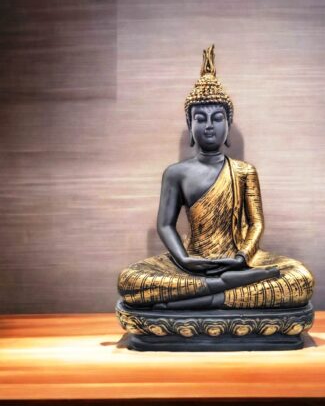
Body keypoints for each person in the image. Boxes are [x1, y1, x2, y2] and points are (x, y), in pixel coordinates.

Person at [117, 45, 314, 310]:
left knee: (298, 279)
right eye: (200, 118)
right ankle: (224, 292)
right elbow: (165, 225)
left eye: (217, 118)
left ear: (227, 126)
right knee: (130, 282)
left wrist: (242, 256)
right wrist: (184, 260)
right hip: (191, 264)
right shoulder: (176, 173)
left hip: (238, 262)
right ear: (190, 126)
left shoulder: (244, 172)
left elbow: (256, 224)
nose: (209, 125)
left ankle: (201, 299)